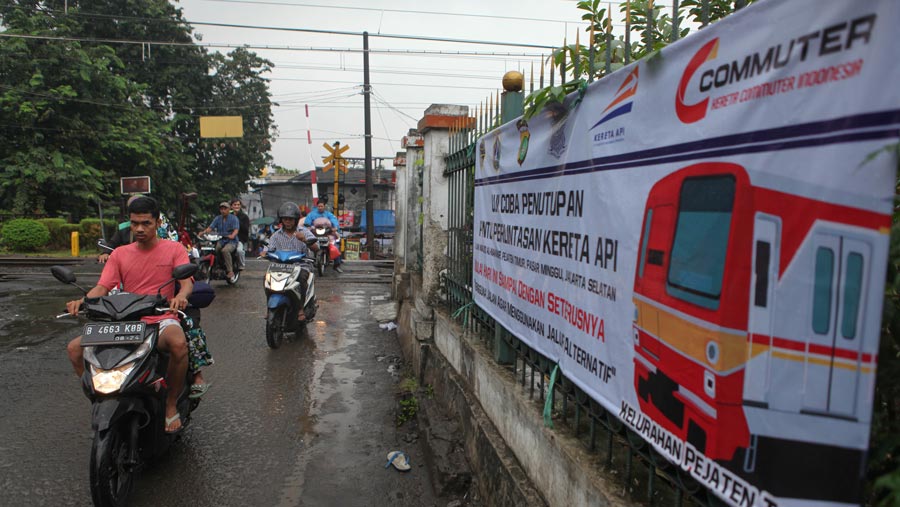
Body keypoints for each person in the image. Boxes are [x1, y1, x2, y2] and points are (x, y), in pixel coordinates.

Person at [66, 196, 192, 433]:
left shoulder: (174, 249)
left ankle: (171, 403)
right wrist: (83, 301)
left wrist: (181, 296)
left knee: (178, 344)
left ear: (157, 222)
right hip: (124, 320)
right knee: (74, 349)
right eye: (135, 224)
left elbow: (186, 283)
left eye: (146, 223)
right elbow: (102, 288)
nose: (140, 229)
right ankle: (100, 399)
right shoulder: (120, 254)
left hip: (159, 318)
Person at [261, 202, 317, 320]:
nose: (288, 222)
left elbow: (316, 247)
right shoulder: (276, 235)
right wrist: (264, 253)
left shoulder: (303, 231)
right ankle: (269, 307)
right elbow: (268, 248)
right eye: (285, 219)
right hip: (280, 266)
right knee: (266, 278)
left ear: (296, 220)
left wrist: (305, 240)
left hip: (300, 265)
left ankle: (301, 308)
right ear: (281, 220)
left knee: (301, 279)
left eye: (291, 219)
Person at [201, 202, 240, 282]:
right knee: (215, 249)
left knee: (225, 250)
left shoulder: (234, 218)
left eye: (225, 209)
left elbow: (236, 230)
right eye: (221, 209)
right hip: (221, 240)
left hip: (231, 241)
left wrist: (232, 235)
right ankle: (217, 265)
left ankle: (230, 271)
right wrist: (203, 232)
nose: (223, 210)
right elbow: (210, 228)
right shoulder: (218, 218)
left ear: (229, 209)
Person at [304, 201, 344, 273]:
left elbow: (334, 221)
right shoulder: (312, 214)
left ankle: (337, 265)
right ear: (317, 206)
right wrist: (308, 226)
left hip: (328, 233)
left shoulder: (328, 214)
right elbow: (307, 222)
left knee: (335, 246)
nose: (320, 208)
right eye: (319, 206)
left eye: (321, 206)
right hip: (315, 234)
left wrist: (335, 227)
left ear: (324, 206)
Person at [230, 198, 250, 271]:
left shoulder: (244, 217)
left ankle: (241, 264)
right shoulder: (228, 215)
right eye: (235, 205)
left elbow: (246, 229)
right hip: (228, 238)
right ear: (231, 206)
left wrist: (237, 221)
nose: (236, 206)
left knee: (239, 251)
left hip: (239, 239)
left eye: (238, 205)